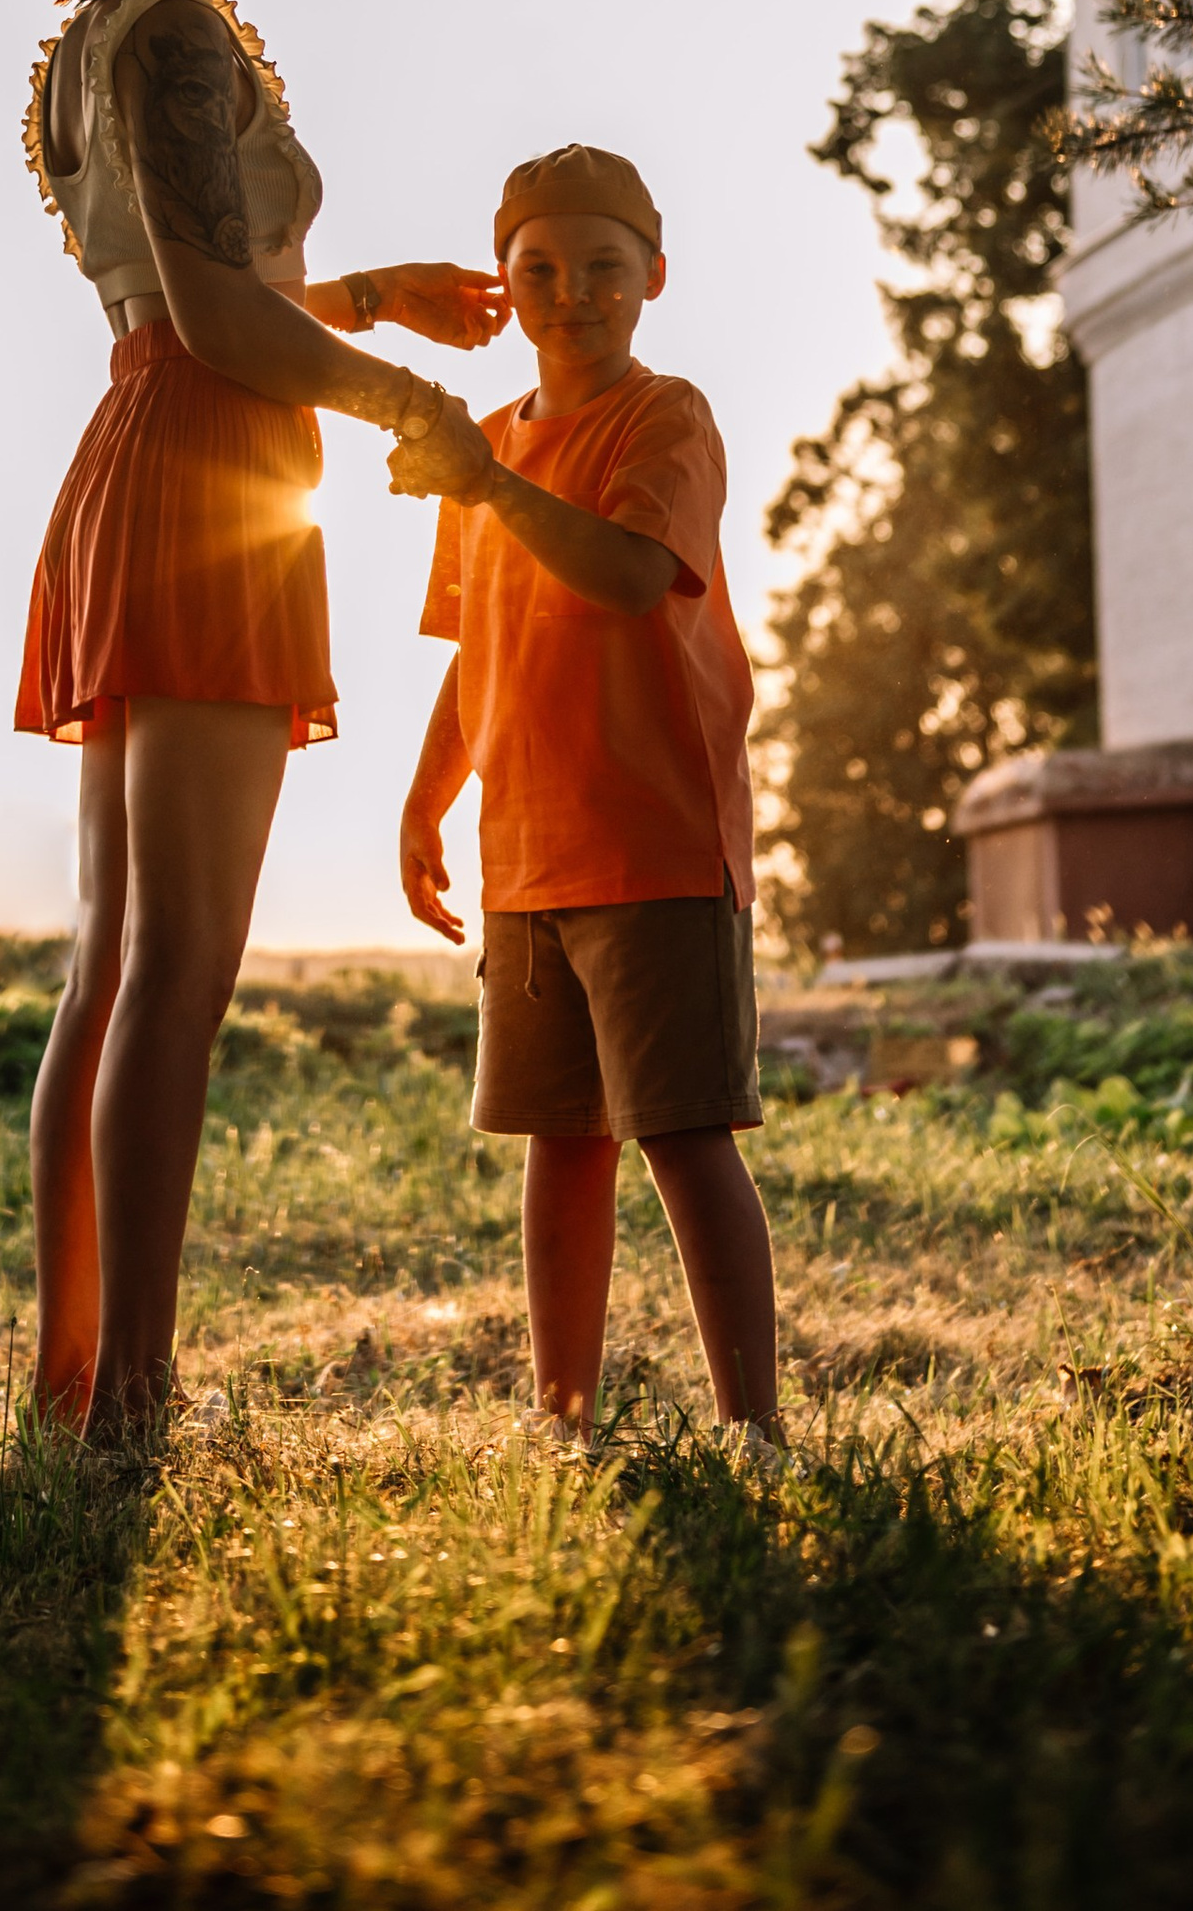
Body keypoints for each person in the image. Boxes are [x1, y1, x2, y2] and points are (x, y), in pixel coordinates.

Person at [18, 0, 504, 1438]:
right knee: (180, 966)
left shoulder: (94, 34)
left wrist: (365, 298)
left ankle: (76, 1370)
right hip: (209, 458)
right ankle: (133, 1388)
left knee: (113, 956)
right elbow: (224, 317)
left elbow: (198, 282)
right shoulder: (178, 33)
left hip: (139, 446)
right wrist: (410, 402)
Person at [390, 145, 780, 1444]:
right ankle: (564, 1423)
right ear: (503, 282)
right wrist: (426, 799)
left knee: (682, 1136)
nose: (571, 292)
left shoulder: (665, 417)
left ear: (653, 277)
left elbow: (624, 575)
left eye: (603, 267)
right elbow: (473, 646)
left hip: (656, 840)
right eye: (539, 268)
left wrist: (489, 486)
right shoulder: (482, 446)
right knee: (563, 1146)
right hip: (527, 854)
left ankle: (754, 1433)